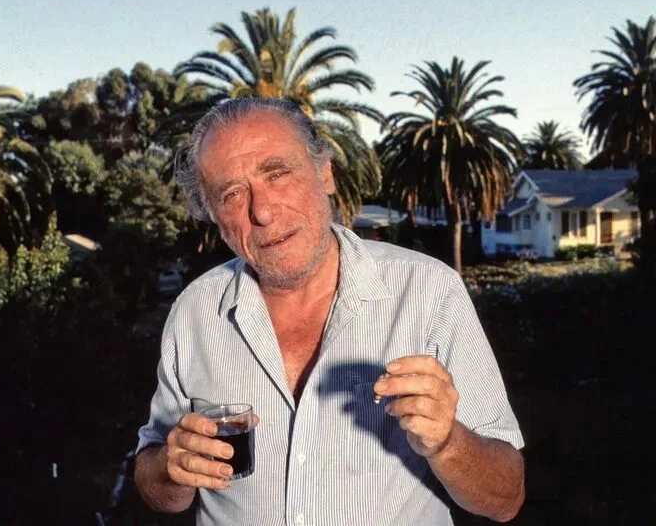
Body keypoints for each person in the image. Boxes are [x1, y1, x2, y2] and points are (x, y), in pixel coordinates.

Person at [135, 98, 525, 525]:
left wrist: (448, 443)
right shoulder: (194, 312)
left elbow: (505, 499)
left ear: (325, 173)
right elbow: (156, 487)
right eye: (232, 194)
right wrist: (170, 468)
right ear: (213, 215)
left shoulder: (429, 291)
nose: (262, 210)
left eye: (277, 173)